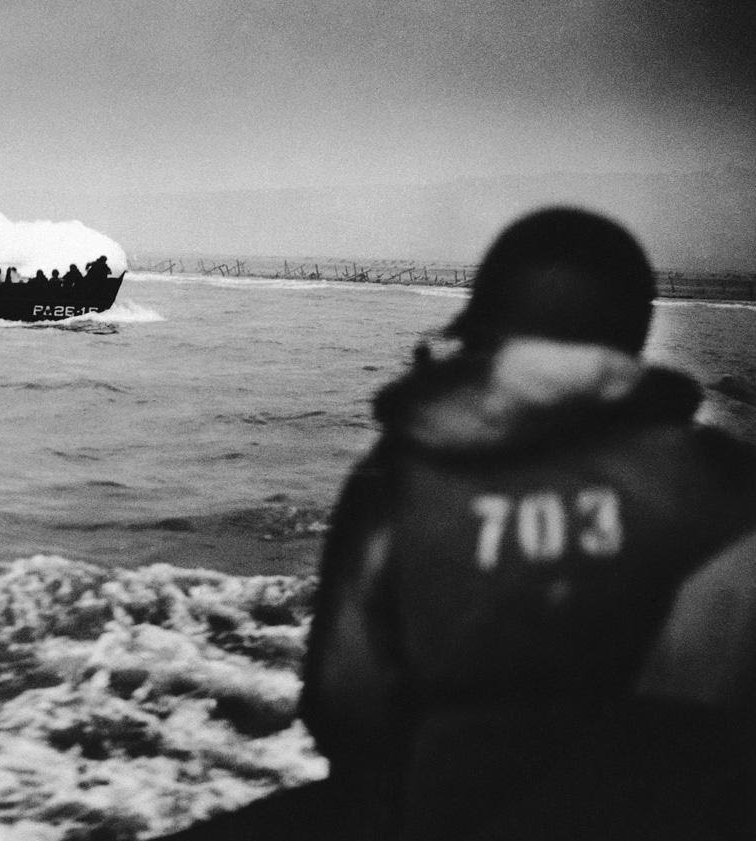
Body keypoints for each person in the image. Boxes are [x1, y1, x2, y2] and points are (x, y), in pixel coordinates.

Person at [156, 207, 756, 841]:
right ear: (635, 334)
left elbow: (342, 707)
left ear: (489, 327)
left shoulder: (398, 480)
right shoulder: (726, 486)